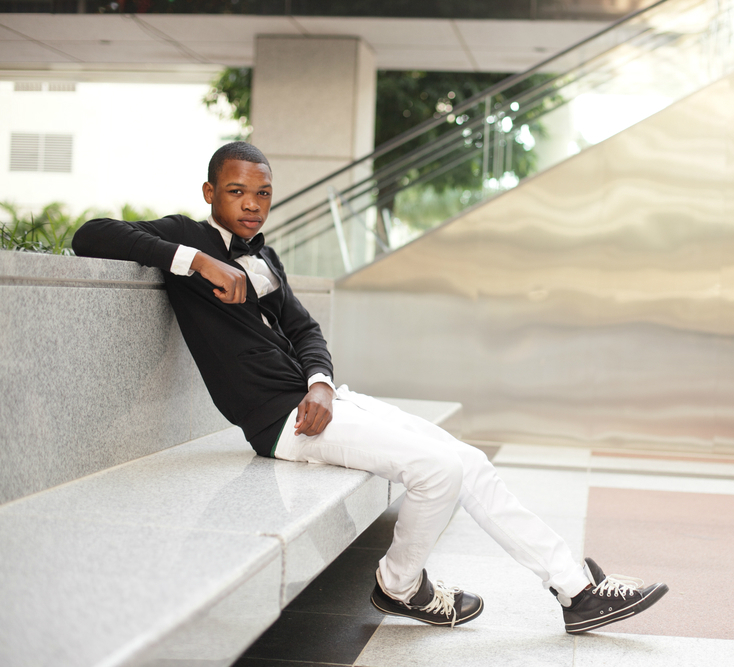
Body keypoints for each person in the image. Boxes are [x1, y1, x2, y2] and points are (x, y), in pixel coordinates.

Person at [72, 141, 667, 633]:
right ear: (210, 194)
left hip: (322, 402)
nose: (252, 206)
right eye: (237, 192)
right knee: (438, 470)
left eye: (262, 194)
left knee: (468, 460)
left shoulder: (267, 259)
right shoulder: (188, 238)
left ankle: (576, 590)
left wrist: (323, 382)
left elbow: (304, 329)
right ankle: (400, 585)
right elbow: (91, 234)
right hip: (282, 424)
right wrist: (197, 263)